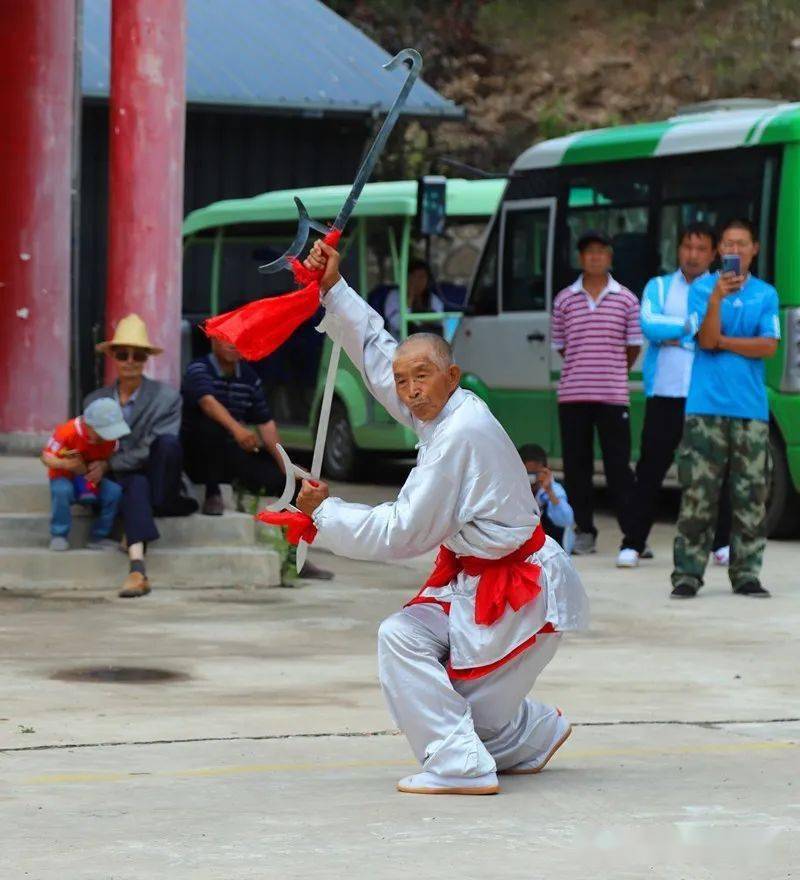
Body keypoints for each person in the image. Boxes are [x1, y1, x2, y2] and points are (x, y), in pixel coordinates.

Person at [291, 240, 589, 796]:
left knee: (414, 661)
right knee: (412, 648)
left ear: (453, 375)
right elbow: (383, 357)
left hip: (517, 600)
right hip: (487, 586)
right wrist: (334, 288)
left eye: (422, 378)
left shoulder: (460, 433)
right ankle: (527, 736)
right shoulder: (444, 410)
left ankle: (462, 765)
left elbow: (403, 530)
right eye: (405, 383)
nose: (409, 392)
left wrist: (323, 514)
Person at [671, 218, 779, 599]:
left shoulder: (766, 294)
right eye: (729, 244)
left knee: (751, 497)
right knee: (699, 496)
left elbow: (768, 346)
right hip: (705, 410)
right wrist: (716, 298)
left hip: (750, 411)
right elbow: (706, 338)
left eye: (742, 244)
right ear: (720, 250)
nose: (735, 250)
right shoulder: (702, 289)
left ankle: (747, 573)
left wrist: (726, 342)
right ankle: (687, 575)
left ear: (755, 250)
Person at [618, 223, 731, 568]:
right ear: (678, 249)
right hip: (665, 394)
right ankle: (633, 543)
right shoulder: (659, 285)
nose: (693, 254)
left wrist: (677, 332)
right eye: (687, 247)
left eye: (701, 248)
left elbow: (722, 330)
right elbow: (649, 324)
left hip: (707, 395)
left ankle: (722, 543)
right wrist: (689, 329)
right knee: (651, 470)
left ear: (713, 254)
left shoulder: (721, 289)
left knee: (713, 471)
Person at [181, 335, 334, 580]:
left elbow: (266, 424)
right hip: (197, 456)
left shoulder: (249, 377)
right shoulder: (199, 369)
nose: (233, 344)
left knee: (295, 485)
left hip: (231, 457)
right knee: (208, 427)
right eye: (226, 339)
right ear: (213, 342)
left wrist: (286, 465)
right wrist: (238, 429)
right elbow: (208, 403)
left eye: (238, 339)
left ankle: (294, 556)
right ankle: (212, 494)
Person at [86, 314, 198, 599]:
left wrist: (111, 462)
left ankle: (136, 561)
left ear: (146, 358)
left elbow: (151, 448)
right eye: (123, 354)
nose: (130, 361)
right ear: (113, 356)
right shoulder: (94, 402)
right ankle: (138, 570)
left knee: (167, 444)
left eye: (138, 355)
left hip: (159, 478)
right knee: (135, 485)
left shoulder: (167, 398)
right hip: (121, 482)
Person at [551, 230, 642, 555]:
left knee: (619, 468)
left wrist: (608, 369)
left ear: (610, 257)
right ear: (581, 258)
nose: (594, 257)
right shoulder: (564, 300)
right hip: (573, 396)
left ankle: (633, 536)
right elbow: (563, 347)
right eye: (588, 252)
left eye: (601, 251)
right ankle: (585, 530)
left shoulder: (627, 299)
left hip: (613, 395)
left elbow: (632, 349)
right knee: (577, 469)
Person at [41, 398, 128, 552]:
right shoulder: (66, 431)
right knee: (61, 491)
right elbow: (46, 457)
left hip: (92, 479)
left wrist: (103, 466)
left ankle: (98, 536)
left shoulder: (111, 440)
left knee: (114, 492)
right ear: (88, 425)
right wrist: (65, 465)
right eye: (102, 432)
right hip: (64, 476)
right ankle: (59, 535)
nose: (106, 438)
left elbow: (113, 456)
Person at [518, 444, 575, 554]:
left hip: (552, 550)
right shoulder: (511, 489)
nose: (531, 479)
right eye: (527, 474)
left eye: (535, 474)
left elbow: (566, 521)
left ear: (545, 470)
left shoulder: (554, 490)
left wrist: (549, 492)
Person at [383, 259, 443, 339]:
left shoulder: (432, 298)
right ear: (407, 278)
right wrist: (410, 300)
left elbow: (441, 321)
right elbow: (397, 324)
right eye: (414, 277)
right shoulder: (394, 296)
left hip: (428, 343)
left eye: (422, 277)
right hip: (400, 344)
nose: (418, 281)